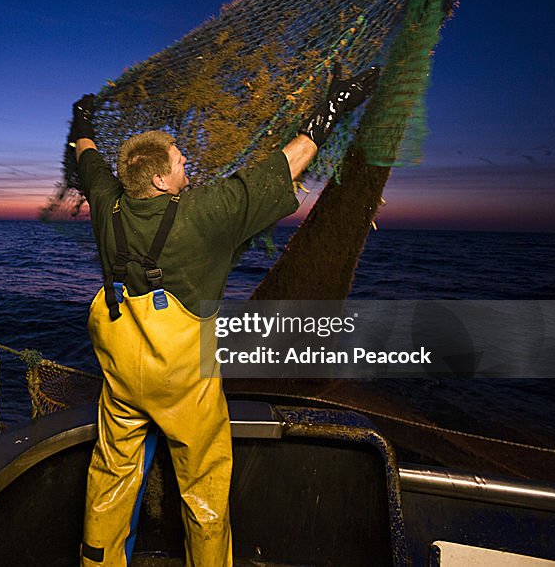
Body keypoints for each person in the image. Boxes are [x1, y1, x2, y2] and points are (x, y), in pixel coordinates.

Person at [70, 64, 379, 567]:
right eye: (178, 158)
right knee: (203, 489)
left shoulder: (109, 207)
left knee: (112, 475)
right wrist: (331, 109)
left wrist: (82, 123)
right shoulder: (206, 212)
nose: (185, 159)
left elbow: (89, 163)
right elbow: (284, 166)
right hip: (183, 382)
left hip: (122, 376)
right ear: (160, 176)